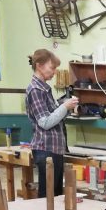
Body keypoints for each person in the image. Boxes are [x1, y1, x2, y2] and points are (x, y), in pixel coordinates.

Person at [26, 48, 78, 198]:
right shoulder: (36, 90)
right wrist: (64, 107)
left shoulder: (44, 89)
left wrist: (67, 107)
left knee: (56, 194)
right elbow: (45, 122)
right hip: (45, 149)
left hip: (54, 149)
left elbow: (54, 115)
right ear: (39, 66)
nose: (54, 72)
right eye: (52, 68)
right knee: (47, 196)